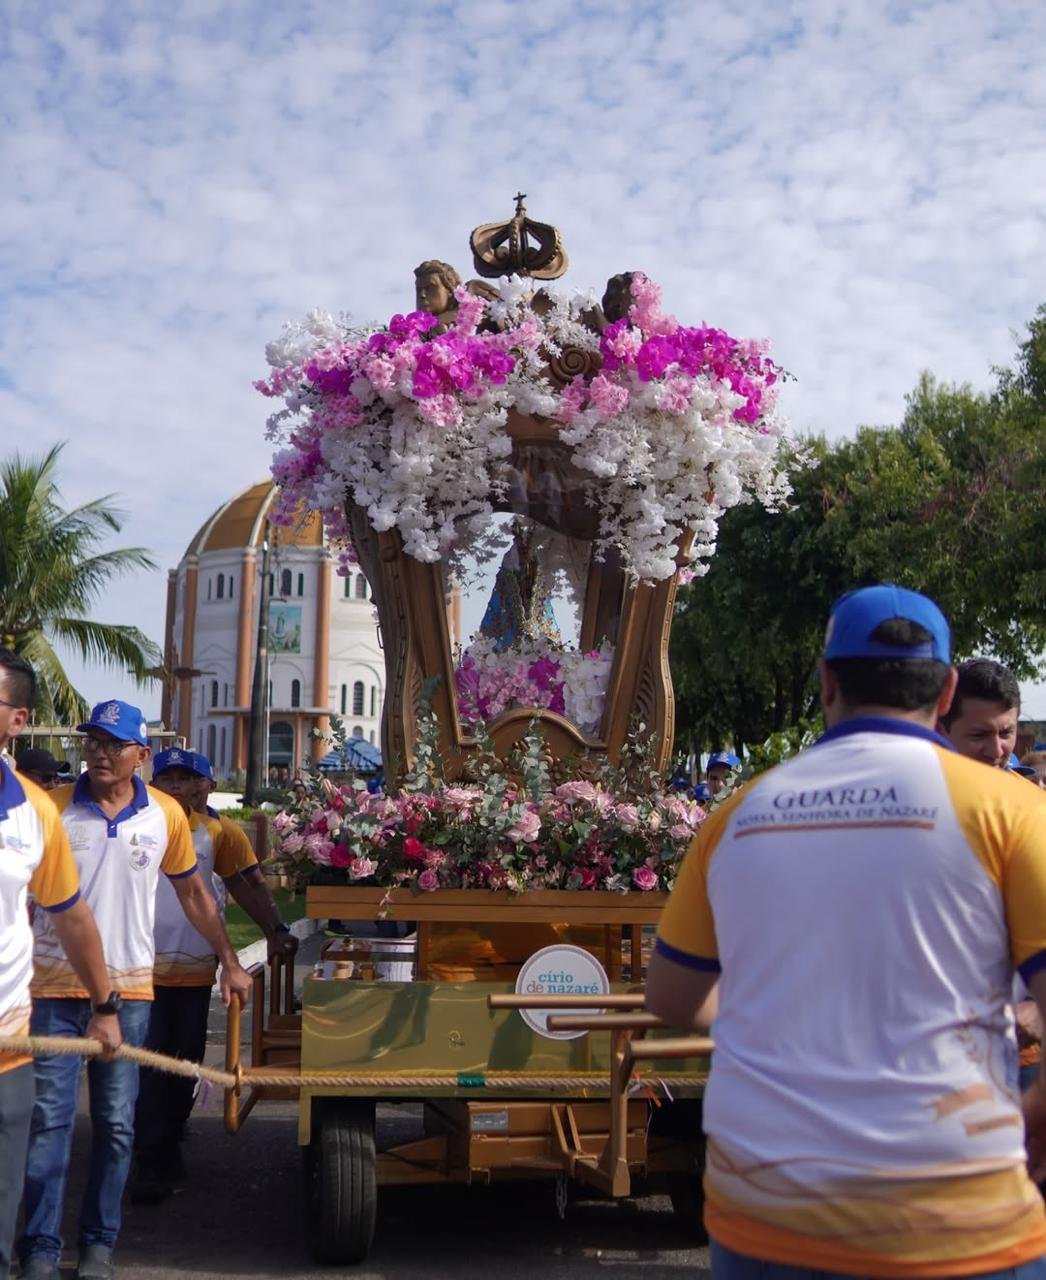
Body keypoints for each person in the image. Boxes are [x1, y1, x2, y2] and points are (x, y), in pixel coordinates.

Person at [647, 584, 1046, 1278]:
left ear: (827, 681)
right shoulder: (1012, 808)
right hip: (957, 1212)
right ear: (948, 690)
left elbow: (674, 996)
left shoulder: (735, 813)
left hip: (768, 1209)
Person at [19, 702, 252, 1280]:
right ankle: (41, 1249)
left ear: (140, 756)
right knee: (49, 1123)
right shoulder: (50, 807)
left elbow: (195, 895)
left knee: (118, 1123)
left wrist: (229, 959)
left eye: (113, 744)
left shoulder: (166, 815)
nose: (98, 752)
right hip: (52, 991)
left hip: (130, 997)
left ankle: (99, 1243)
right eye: (92, 741)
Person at [0, 651, 121, 1277]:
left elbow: (71, 916)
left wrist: (106, 1006)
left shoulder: (34, 812)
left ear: (17, 719)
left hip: (8, 1047)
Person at [132, 748, 295, 1203]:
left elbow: (246, 885)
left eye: (188, 779)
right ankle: (150, 1160)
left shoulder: (216, 832)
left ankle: (170, 1138)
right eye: (169, 779)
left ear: (205, 785)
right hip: (139, 972)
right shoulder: (135, 825)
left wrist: (275, 930)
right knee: (147, 1067)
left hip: (193, 971)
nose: (179, 788)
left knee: (185, 1063)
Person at [937, 656, 1020, 766]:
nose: (996, 752)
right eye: (979, 735)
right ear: (941, 732)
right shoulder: (917, 781)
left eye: (1005, 734)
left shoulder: (1023, 783)